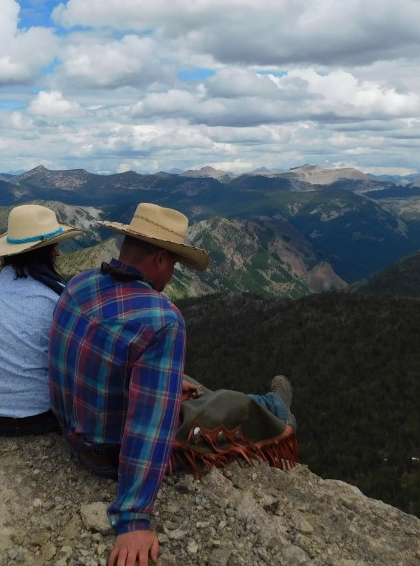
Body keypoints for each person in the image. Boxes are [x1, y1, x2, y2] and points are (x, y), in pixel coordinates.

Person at [49, 203, 296, 566]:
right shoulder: (163, 319)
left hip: (71, 429)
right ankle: (278, 410)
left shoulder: (79, 283)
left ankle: (241, 399)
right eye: (175, 265)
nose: (173, 274)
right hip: (106, 452)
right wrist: (133, 519)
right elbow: (148, 427)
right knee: (226, 402)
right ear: (161, 260)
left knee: (183, 381)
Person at [0, 204, 85, 436]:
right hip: (42, 416)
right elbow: (70, 360)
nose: (58, 253)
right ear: (45, 252)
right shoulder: (58, 297)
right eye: (55, 246)